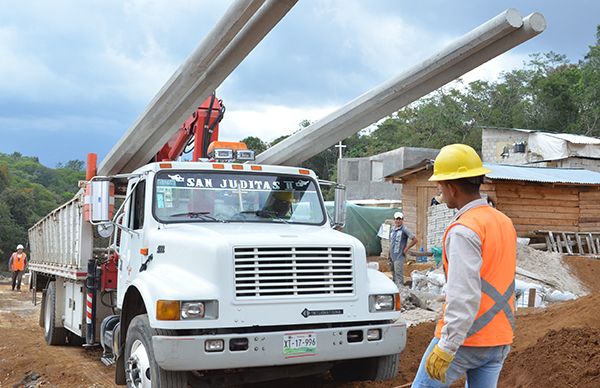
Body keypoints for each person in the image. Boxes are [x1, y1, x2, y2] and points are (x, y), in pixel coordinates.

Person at [412, 144, 516, 387]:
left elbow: (464, 295)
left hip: (466, 340)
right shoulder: (503, 221)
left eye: (440, 184)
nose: (439, 190)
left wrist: (447, 346)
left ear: (451, 186)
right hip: (499, 337)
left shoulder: (464, 230)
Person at [389, 211, 417, 289]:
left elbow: (414, 240)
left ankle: (401, 293)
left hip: (399, 256)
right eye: (396, 219)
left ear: (402, 220)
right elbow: (391, 243)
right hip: (392, 257)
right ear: (394, 220)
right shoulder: (393, 230)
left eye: (399, 219)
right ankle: (395, 291)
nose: (398, 221)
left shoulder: (404, 229)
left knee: (399, 275)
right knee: (393, 275)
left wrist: (406, 248)